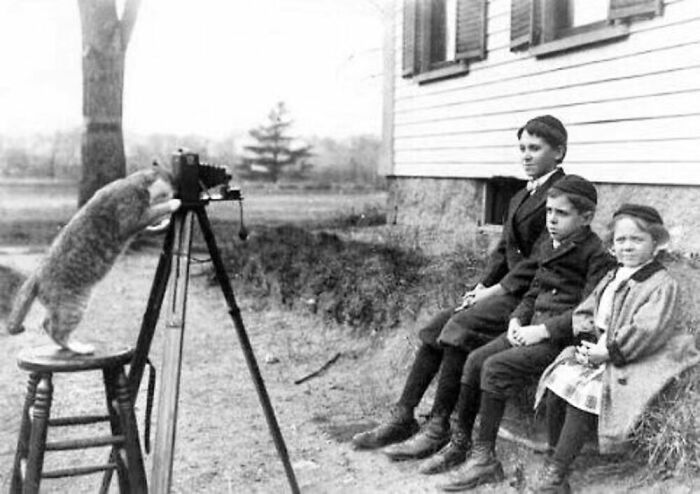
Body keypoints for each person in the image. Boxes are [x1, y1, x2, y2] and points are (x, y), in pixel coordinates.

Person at [352, 115, 568, 458]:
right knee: (435, 326)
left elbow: (540, 261)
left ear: (559, 151)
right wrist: (480, 285)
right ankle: (403, 415)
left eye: (535, 148)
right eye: (522, 148)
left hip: (531, 296)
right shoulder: (519, 196)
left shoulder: (562, 197)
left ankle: (439, 427)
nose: (526, 155)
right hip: (503, 291)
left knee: (459, 326)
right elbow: (503, 252)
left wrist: (493, 292)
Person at [431, 175, 615, 487]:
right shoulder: (548, 243)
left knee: (495, 366)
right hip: (529, 328)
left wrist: (541, 331)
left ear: (586, 218)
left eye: (561, 214)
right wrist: (516, 320)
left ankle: (483, 460)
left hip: (560, 340)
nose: (552, 220)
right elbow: (532, 291)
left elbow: (588, 312)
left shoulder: (596, 255)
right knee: (475, 360)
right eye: (548, 212)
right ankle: (467, 446)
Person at [526, 204, 700, 493]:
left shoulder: (660, 284)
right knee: (559, 379)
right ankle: (555, 453)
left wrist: (608, 352)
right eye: (621, 240)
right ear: (612, 245)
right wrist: (588, 338)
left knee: (589, 393)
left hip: (640, 354)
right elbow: (589, 308)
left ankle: (557, 474)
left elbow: (648, 330)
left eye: (637, 240)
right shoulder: (614, 276)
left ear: (655, 244)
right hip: (602, 346)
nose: (627, 246)